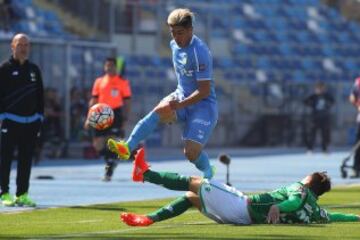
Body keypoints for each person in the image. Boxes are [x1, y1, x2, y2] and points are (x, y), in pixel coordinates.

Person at [108, 8, 218, 179]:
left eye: (180, 33)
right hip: (181, 96)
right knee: (158, 111)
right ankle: (127, 147)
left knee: (190, 153)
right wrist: (179, 100)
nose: (176, 37)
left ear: (191, 30)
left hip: (203, 106)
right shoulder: (174, 45)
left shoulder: (200, 52)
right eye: (173, 32)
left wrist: (180, 104)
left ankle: (208, 171)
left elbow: (204, 91)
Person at [120, 148, 360, 226]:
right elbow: (338, 216)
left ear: (310, 180)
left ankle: (145, 174)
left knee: (197, 183)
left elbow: (294, 201)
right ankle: (149, 218)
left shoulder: (301, 189)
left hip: (242, 205)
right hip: (240, 217)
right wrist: (357, 218)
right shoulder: (317, 211)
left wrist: (279, 205)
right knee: (191, 197)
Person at [0, 33, 44, 207]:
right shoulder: (4, 69)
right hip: (9, 121)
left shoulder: (34, 69)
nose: (24, 48)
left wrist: (40, 116)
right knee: (5, 158)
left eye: (26, 45)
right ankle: (4, 193)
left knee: (26, 159)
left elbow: (40, 95)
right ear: (13, 46)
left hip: (31, 123)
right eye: (20, 45)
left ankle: (22, 194)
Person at [85, 57, 132, 181]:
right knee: (98, 145)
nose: (109, 68)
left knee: (112, 140)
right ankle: (112, 160)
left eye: (111, 65)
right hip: (100, 113)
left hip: (115, 113)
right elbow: (94, 100)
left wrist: (125, 117)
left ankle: (109, 167)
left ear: (116, 67)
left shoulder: (122, 82)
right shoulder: (99, 81)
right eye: (107, 65)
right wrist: (88, 118)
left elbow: (127, 101)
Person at [303, 81, 334, 153]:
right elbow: (305, 101)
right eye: (319, 88)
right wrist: (311, 104)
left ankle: (325, 148)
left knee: (325, 134)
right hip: (314, 118)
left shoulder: (327, 96)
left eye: (322, 88)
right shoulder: (313, 96)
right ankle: (310, 148)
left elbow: (332, 102)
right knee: (312, 134)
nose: (320, 90)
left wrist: (327, 106)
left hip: (324, 117)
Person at [349, 77, 360, 178]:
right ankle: (356, 168)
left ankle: (356, 169)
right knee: (358, 145)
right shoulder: (358, 82)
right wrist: (358, 106)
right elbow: (352, 97)